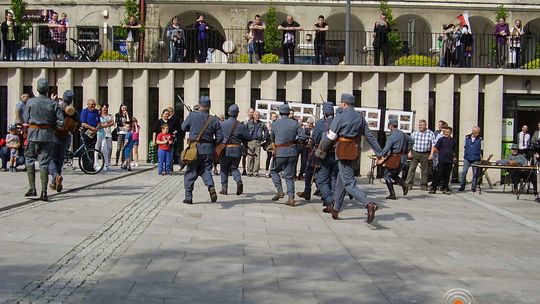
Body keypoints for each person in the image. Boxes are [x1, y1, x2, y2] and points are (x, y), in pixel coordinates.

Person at [318, 93, 383, 222]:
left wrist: (321, 150)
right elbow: (369, 136)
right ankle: (336, 209)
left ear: (343, 103)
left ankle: (368, 204)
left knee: (348, 183)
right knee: (341, 181)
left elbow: (330, 137)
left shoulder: (340, 116)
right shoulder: (360, 118)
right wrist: (380, 153)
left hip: (342, 151)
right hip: (354, 151)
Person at [23, 78, 64, 201]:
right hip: (47, 135)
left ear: (37, 89)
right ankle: (44, 192)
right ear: (47, 90)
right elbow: (61, 122)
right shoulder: (53, 104)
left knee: (29, 159)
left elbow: (25, 119)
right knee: (44, 163)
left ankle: (32, 188)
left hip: (33, 135)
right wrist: (52, 127)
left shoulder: (30, 102)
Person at [181, 96, 223, 204]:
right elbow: (220, 138)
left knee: (191, 172)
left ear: (199, 105)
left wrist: (192, 118)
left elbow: (183, 127)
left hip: (194, 149)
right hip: (208, 150)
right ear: (209, 106)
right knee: (206, 170)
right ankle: (210, 186)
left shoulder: (192, 116)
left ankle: (188, 197)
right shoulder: (214, 119)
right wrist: (212, 144)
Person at [269, 104, 307, 206]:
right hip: (292, 152)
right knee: (289, 176)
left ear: (280, 113)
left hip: (280, 152)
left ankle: (280, 190)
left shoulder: (275, 124)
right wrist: (295, 140)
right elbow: (303, 137)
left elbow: (272, 138)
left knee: (273, 171)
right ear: (288, 112)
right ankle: (291, 197)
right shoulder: (295, 123)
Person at [49, 90, 79, 192]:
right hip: (65, 137)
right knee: (60, 160)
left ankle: (55, 176)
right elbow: (78, 122)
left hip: (54, 136)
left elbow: (49, 117)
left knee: (51, 159)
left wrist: (52, 101)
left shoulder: (58, 107)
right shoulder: (73, 111)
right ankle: (55, 181)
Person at [219, 104, 251, 195]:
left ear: (228, 113)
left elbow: (218, 137)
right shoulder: (241, 125)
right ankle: (238, 181)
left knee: (224, 168)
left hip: (226, 149)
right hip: (237, 149)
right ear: (237, 114)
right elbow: (248, 137)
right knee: (234, 168)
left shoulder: (222, 124)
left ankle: (224, 189)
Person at [312, 102, 337, 210]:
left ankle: (330, 200)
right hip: (337, 155)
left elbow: (315, 138)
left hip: (324, 154)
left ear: (325, 113)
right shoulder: (338, 122)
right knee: (333, 178)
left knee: (321, 179)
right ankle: (330, 200)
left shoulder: (321, 123)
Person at [379, 119, 412, 200]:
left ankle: (392, 194)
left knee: (387, 175)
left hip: (394, 157)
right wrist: (407, 150)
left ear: (390, 126)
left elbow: (386, 148)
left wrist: (380, 156)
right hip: (403, 157)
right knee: (394, 175)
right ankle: (404, 186)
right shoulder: (403, 134)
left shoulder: (391, 136)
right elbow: (411, 141)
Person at [406, 119, 435, 190]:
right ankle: (408, 184)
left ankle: (424, 185)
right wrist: (409, 152)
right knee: (412, 169)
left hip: (425, 154)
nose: (420, 126)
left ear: (425, 125)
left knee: (424, 170)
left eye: (422, 125)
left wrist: (431, 154)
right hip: (415, 152)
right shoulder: (415, 133)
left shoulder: (430, 133)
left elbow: (433, 145)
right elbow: (410, 143)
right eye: (419, 125)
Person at [429, 126, 456, 194]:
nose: (447, 133)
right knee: (439, 174)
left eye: (448, 132)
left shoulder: (453, 140)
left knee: (447, 175)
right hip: (442, 159)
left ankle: (445, 188)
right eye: (446, 132)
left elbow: (454, 150)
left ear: (451, 133)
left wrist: (454, 157)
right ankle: (434, 187)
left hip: (449, 160)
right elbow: (436, 148)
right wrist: (437, 154)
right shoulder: (441, 139)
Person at [459, 127, 483, 192]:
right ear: (473, 132)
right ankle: (462, 185)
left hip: (476, 158)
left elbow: (481, 150)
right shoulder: (467, 138)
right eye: (476, 133)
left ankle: (473, 186)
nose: (477, 134)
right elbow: (464, 146)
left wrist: (481, 159)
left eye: (478, 133)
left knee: (475, 173)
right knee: (464, 172)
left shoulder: (480, 139)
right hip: (467, 157)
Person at [80, 99, 101, 172]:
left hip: (94, 132)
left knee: (92, 149)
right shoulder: (84, 112)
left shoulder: (96, 112)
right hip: (87, 131)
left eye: (94, 104)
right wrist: (92, 128)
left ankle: (91, 166)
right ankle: (86, 167)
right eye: (91, 104)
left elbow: (99, 122)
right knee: (85, 149)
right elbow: (83, 123)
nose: (93, 106)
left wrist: (96, 129)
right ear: (88, 104)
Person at [246, 111, 268, 177]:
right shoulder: (249, 123)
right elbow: (245, 131)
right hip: (250, 141)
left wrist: (264, 139)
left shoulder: (262, 124)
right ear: (253, 115)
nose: (258, 117)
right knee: (250, 157)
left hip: (258, 142)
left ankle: (255, 172)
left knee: (257, 157)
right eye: (256, 115)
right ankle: (249, 172)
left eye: (258, 115)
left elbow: (266, 131)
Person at [96, 103, 114, 171]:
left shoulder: (109, 115)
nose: (104, 110)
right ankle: (98, 163)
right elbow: (100, 125)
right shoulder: (99, 116)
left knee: (108, 149)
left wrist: (106, 124)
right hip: (100, 134)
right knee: (99, 149)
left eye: (106, 108)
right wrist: (106, 124)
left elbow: (112, 123)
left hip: (107, 134)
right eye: (103, 108)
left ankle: (107, 163)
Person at [241, 108, 255, 175]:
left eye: (252, 112)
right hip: (245, 141)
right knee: (244, 156)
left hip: (251, 141)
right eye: (250, 112)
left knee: (252, 156)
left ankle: (251, 169)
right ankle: (244, 169)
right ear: (248, 112)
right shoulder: (245, 121)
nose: (251, 114)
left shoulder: (255, 121)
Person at [264, 112, 278, 178]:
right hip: (270, 142)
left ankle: (273, 171)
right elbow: (267, 133)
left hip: (276, 142)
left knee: (275, 157)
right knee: (269, 157)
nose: (275, 117)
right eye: (273, 116)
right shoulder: (269, 124)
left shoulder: (278, 124)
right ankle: (267, 171)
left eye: (276, 116)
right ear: (271, 117)